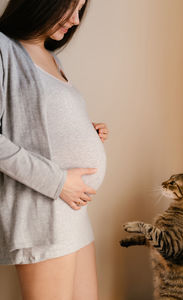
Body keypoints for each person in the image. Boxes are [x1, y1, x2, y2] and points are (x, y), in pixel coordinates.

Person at [0, 0, 108, 299]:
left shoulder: (52, 58)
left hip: (73, 211)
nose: (75, 20)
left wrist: (86, 131)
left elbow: (38, 125)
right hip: (43, 213)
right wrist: (59, 182)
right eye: (71, 7)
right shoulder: (3, 48)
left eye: (80, 10)